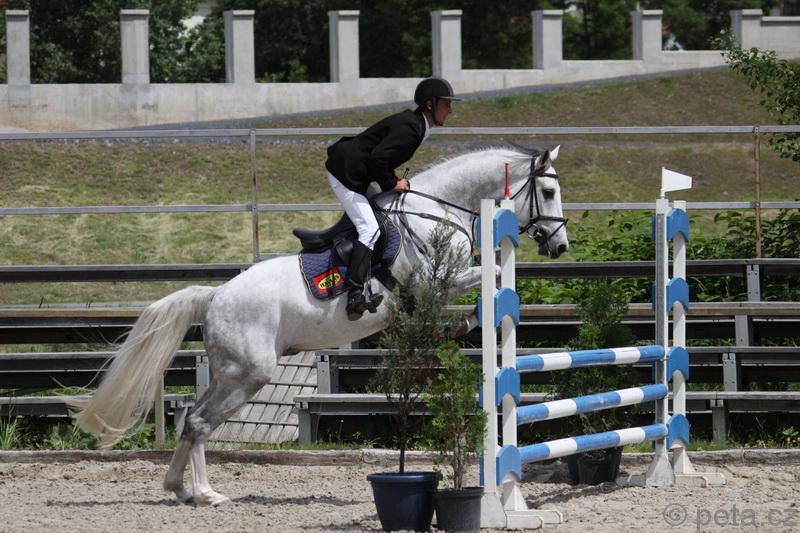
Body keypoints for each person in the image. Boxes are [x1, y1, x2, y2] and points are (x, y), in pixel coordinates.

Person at [325, 77, 459, 320]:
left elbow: (381, 156)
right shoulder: (412, 128)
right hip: (345, 173)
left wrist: (391, 181)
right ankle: (354, 296)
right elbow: (379, 158)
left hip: (356, 171)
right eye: (446, 104)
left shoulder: (416, 125)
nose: (450, 110)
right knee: (369, 229)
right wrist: (391, 182)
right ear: (430, 104)